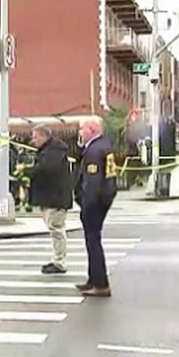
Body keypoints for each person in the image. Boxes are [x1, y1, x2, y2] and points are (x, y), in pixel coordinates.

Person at [74, 117, 117, 297]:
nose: (80, 133)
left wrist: (86, 204)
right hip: (104, 199)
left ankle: (100, 283)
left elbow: (93, 183)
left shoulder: (94, 151)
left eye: (82, 129)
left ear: (91, 129)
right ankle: (93, 279)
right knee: (93, 241)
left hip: (95, 202)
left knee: (93, 242)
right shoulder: (103, 146)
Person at [26, 125, 73, 274]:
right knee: (55, 229)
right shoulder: (50, 151)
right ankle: (58, 260)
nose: (33, 140)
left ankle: (60, 262)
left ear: (43, 136)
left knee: (56, 228)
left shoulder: (53, 152)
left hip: (55, 197)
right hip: (52, 197)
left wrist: (29, 172)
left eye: (35, 137)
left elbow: (46, 171)